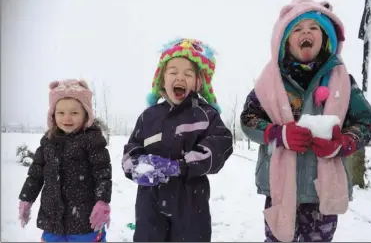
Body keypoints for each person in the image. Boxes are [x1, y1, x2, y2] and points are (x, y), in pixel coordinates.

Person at [240, 0, 371, 242]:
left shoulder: (342, 81)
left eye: (314, 27)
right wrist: (277, 134)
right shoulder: (271, 82)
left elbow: (367, 121)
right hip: (280, 190)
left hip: (321, 195)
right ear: (285, 41)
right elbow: (248, 119)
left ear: (325, 38)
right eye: (297, 29)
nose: (307, 32)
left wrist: (343, 142)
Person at [122, 38, 233, 242]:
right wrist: (140, 167)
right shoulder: (148, 117)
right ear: (162, 80)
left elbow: (220, 145)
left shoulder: (206, 115)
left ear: (199, 82)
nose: (179, 77)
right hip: (150, 205)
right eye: (172, 72)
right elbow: (130, 154)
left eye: (188, 73)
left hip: (191, 205)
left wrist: (180, 166)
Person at [18, 79, 112, 242]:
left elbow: (102, 174)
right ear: (53, 115)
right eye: (61, 113)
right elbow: (35, 174)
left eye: (74, 113)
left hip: (85, 221)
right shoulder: (48, 141)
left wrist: (102, 201)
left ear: (86, 114)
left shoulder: (92, 141)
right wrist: (26, 198)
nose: (67, 118)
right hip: (53, 220)